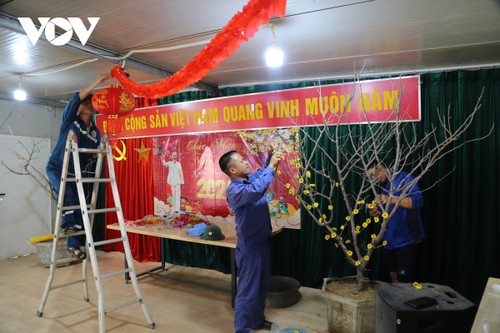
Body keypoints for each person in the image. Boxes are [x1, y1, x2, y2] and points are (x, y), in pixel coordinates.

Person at [46, 73, 112, 260]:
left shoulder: (94, 130)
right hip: (57, 167)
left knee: (77, 203)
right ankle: (68, 228)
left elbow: (91, 154)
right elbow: (77, 97)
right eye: (86, 102)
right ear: (80, 105)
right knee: (67, 195)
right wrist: (98, 81)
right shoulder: (69, 120)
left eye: (92, 103)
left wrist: (101, 150)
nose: (89, 105)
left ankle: (73, 245)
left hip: (76, 172)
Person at [219, 148, 284, 333]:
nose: (246, 162)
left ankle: (257, 321)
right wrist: (271, 166)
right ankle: (242, 329)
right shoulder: (235, 190)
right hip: (249, 248)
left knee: (261, 288)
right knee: (247, 292)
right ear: (232, 170)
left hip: (262, 243)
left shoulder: (248, 181)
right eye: (241, 161)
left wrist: (271, 158)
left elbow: (262, 174)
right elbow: (257, 189)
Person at [367, 162, 425, 283]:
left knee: (405, 281)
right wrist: (373, 211)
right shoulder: (383, 186)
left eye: (372, 175)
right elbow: (384, 210)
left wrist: (391, 199)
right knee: (394, 278)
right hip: (389, 241)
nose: (372, 180)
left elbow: (418, 201)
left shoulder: (405, 178)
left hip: (406, 240)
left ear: (379, 167)